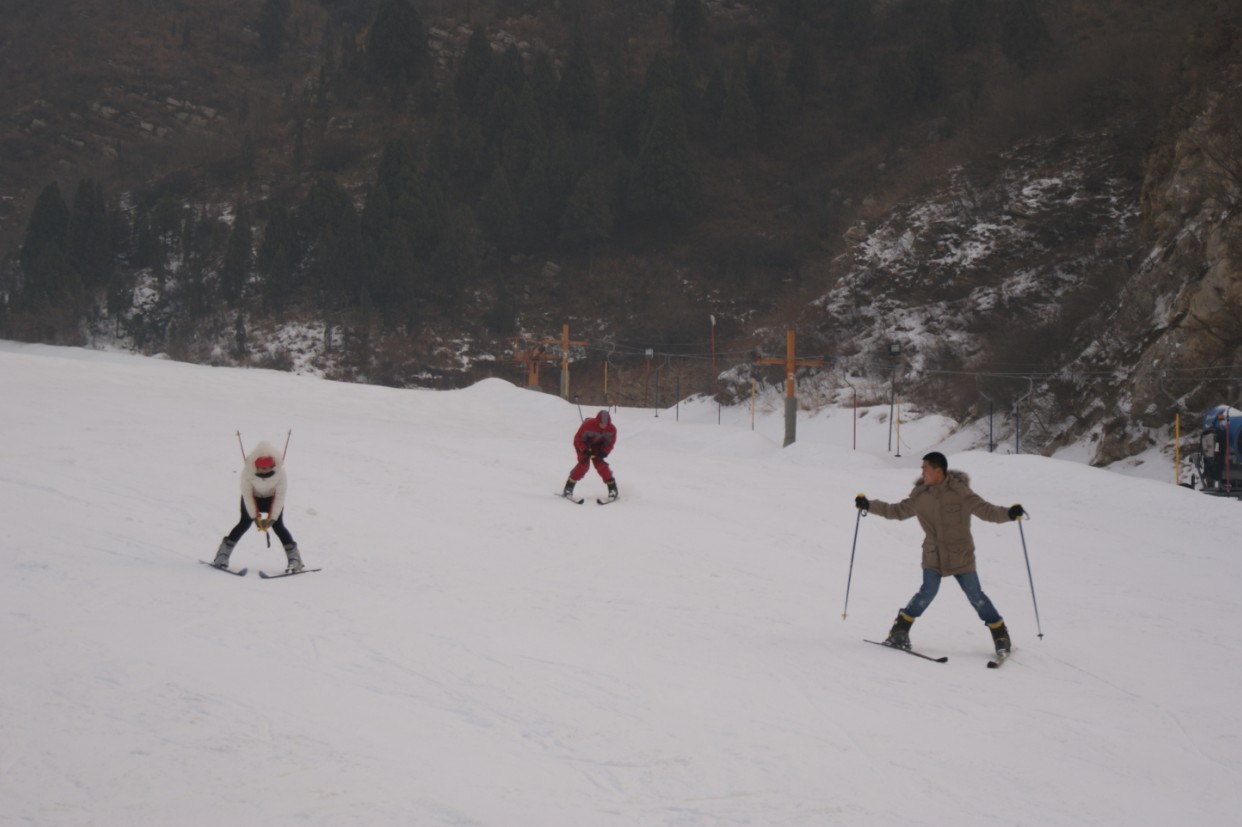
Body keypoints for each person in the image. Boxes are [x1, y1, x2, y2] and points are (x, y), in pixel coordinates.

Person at [854, 451, 1024, 655]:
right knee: (927, 592)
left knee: (975, 595)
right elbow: (897, 511)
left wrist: (1009, 514)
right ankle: (899, 630)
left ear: (938, 471)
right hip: (933, 554)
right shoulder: (920, 495)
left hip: (960, 554)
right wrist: (869, 505)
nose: (922, 473)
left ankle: (1000, 635)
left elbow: (986, 510)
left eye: (925, 468)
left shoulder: (960, 492)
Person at [212, 440, 305, 573]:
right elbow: (247, 495)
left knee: (278, 526)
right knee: (244, 523)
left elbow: (280, 497)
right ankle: (222, 556)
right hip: (252, 498)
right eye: (261, 468)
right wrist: (254, 516)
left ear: (273, 466)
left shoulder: (281, 473)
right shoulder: (247, 472)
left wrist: (272, 518)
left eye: (267, 468)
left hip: (272, 499)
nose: (263, 470)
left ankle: (295, 560)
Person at [563, 410, 618, 500]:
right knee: (584, 465)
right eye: (601, 423)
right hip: (583, 444)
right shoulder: (588, 425)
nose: (603, 425)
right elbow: (578, 439)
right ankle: (568, 487)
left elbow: (610, 444)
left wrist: (604, 452)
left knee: (601, 465)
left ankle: (612, 489)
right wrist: (585, 449)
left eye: (605, 424)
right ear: (597, 421)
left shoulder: (612, 429)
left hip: (598, 446)